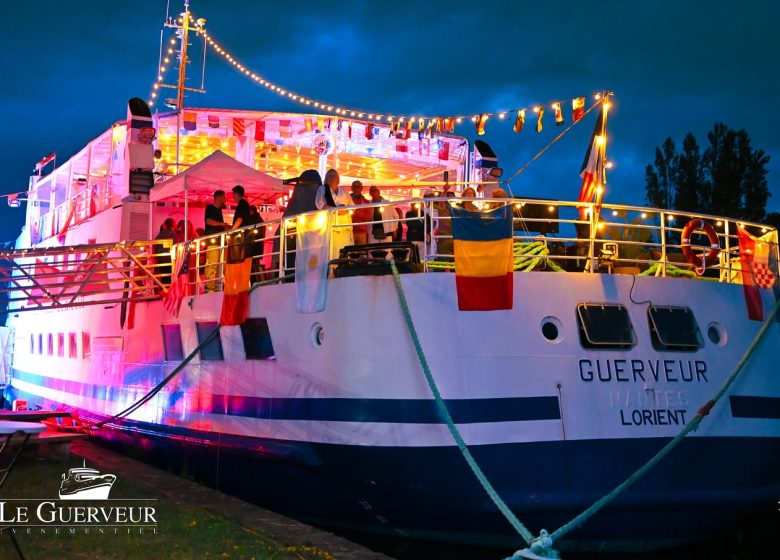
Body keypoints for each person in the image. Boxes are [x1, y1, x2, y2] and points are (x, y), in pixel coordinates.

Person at [315, 169, 353, 261]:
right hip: (330, 223)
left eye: (334, 176)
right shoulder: (322, 189)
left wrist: (344, 210)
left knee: (344, 246)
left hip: (344, 223)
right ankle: (332, 269)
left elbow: (351, 205)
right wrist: (336, 209)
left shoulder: (343, 190)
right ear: (326, 179)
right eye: (330, 176)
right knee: (332, 248)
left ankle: (344, 267)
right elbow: (319, 204)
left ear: (338, 179)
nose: (332, 178)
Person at [204, 190, 229, 292]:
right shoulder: (210, 207)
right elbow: (208, 221)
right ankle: (210, 287)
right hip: (213, 242)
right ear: (219, 197)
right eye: (224, 197)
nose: (225, 199)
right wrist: (221, 224)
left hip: (220, 241)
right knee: (212, 265)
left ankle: (217, 286)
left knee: (220, 265)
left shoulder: (219, 210)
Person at [153, 218, 176, 287]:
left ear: (165, 225)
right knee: (169, 277)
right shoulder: (173, 234)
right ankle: (168, 291)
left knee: (163, 277)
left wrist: (156, 255)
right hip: (170, 258)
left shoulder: (161, 234)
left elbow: (155, 244)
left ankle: (164, 291)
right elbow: (175, 244)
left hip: (161, 258)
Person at [349, 180, 372, 246]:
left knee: (362, 253)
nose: (357, 188)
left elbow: (368, 216)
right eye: (355, 187)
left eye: (358, 186)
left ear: (361, 188)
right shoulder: (346, 200)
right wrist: (360, 213)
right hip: (349, 231)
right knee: (349, 253)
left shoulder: (366, 202)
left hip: (362, 232)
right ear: (352, 188)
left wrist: (356, 212)